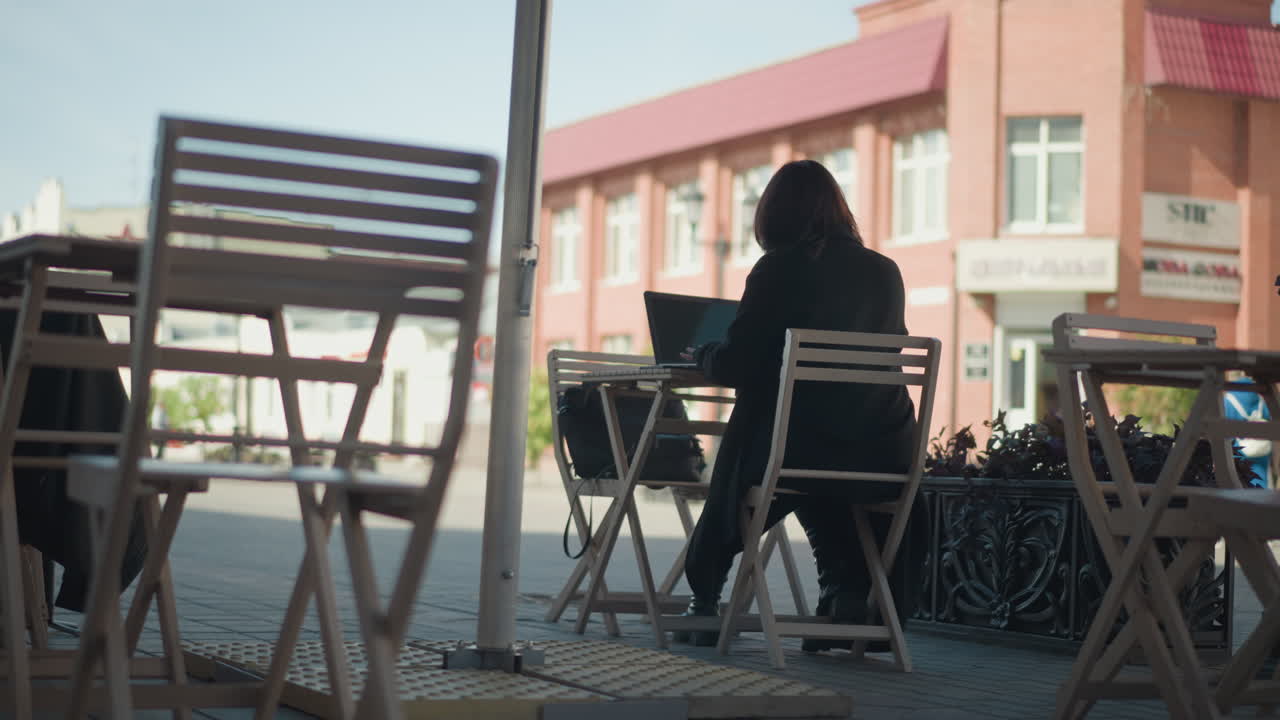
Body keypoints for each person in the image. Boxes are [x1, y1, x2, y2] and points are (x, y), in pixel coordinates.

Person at [678, 159, 926, 650]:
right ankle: (844, 593)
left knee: (764, 440)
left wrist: (704, 354)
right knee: (822, 481)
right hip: (883, 451)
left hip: (797, 450)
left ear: (774, 215)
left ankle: (705, 597)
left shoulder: (780, 267)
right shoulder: (886, 271)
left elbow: (739, 364)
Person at [1224, 375, 1271, 488]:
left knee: (1239, 483)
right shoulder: (1260, 399)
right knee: (1260, 481)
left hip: (1237, 451)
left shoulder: (1228, 400)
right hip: (1261, 450)